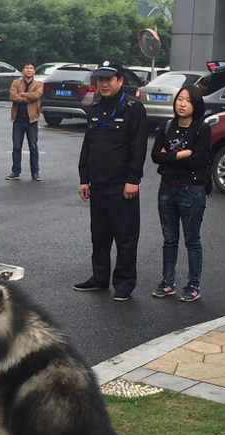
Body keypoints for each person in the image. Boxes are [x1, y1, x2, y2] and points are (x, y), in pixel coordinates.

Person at [74, 59, 148, 301]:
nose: (104, 84)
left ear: (120, 81)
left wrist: (133, 180)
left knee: (125, 238)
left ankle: (124, 284)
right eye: (100, 80)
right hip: (98, 185)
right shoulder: (95, 108)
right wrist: (84, 178)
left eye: (109, 79)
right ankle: (99, 278)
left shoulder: (132, 108)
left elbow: (138, 147)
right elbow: (88, 145)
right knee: (99, 235)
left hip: (122, 185)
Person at [151, 85, 211, 302]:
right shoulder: (166, 126)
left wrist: (171, 155)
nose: (182, 104)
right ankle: (168, 282)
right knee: (169, 239)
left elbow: (197, 159)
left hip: (191, 189)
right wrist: (180, 155)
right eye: (179, 99)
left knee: (192, 239)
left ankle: (193, 285)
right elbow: (156, 156)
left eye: (187, 100)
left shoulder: (201, 129)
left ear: (195, 105)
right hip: (167, 187)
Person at [6, 59, 44, 181]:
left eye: (31, 68)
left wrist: (22, 95)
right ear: (23, 70)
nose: (28, 70)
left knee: (33, 147)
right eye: (26, 68)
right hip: (18, 119)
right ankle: (15, 172)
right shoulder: (16, 83)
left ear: (34, 71)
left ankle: (35, 173)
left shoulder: (39, 84)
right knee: (16, 147)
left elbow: (36, 95)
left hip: (32, 120)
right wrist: (27, 96)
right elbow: (13, 96)